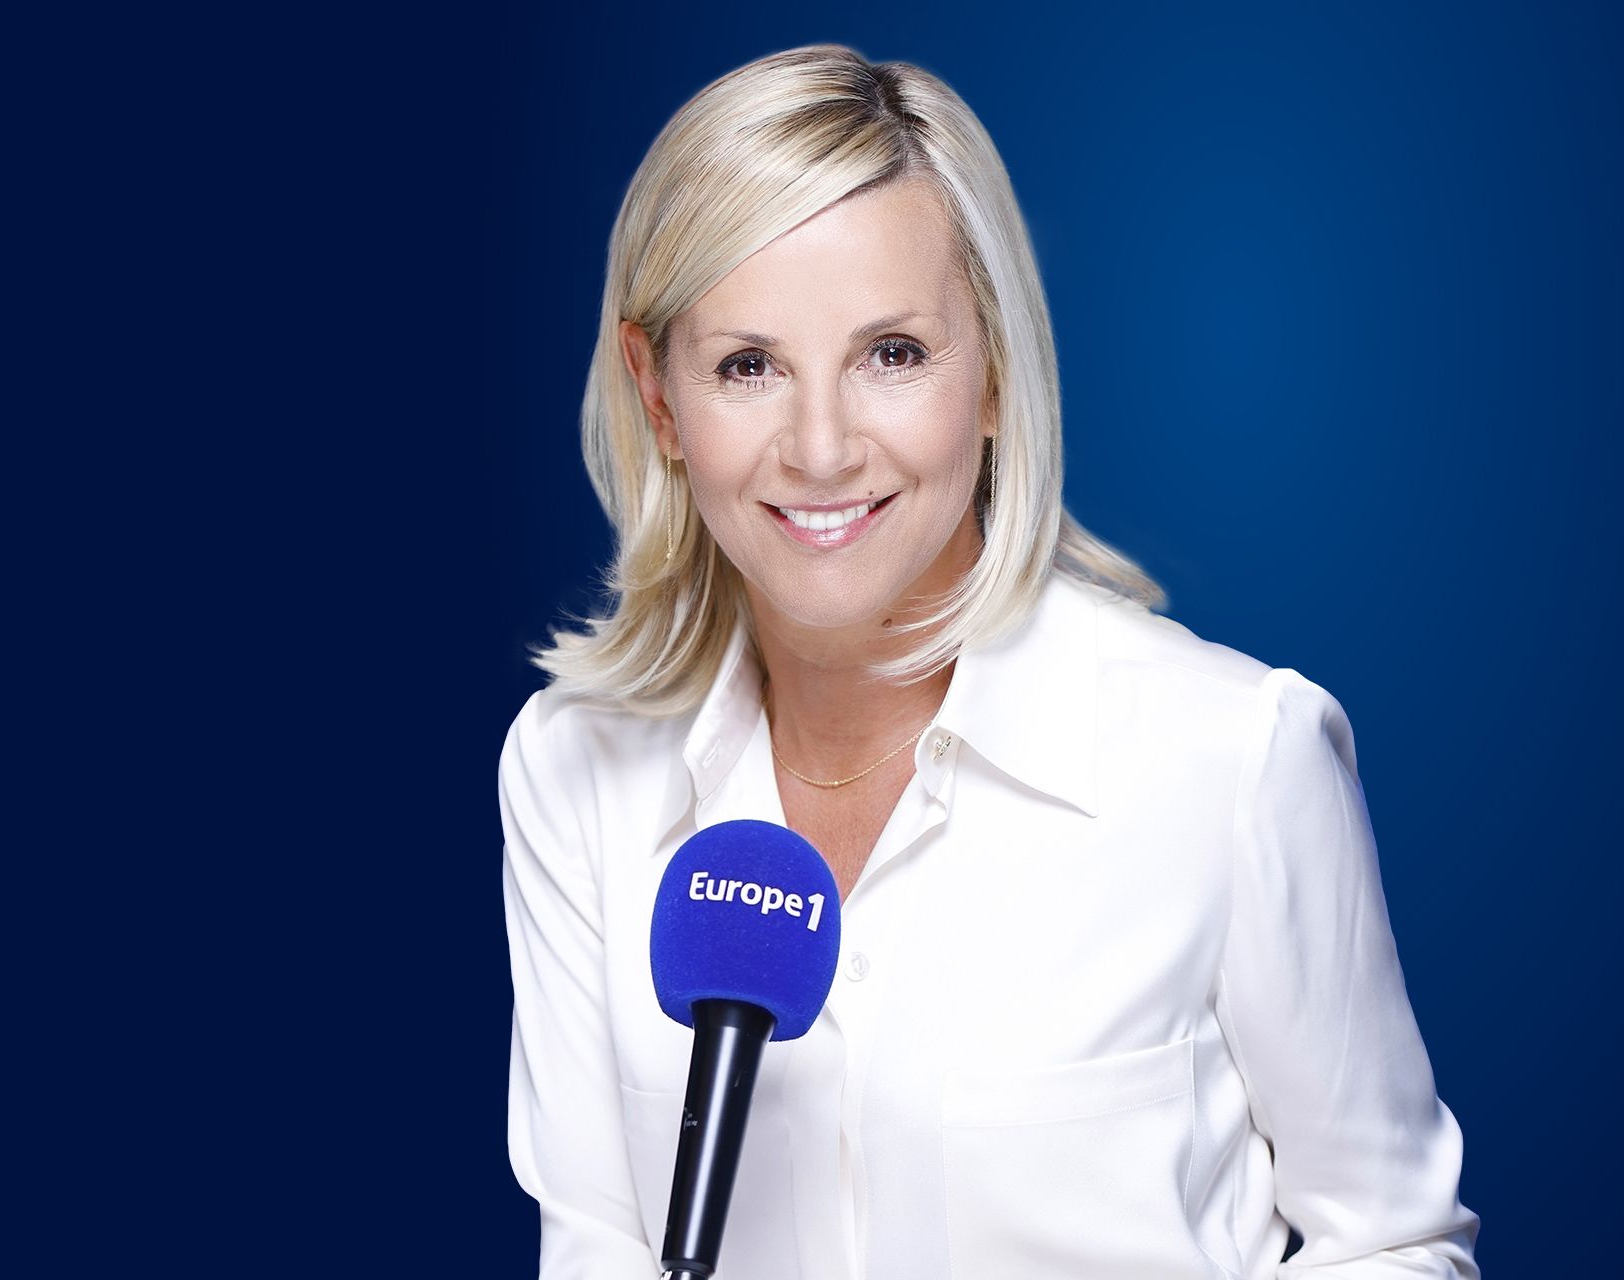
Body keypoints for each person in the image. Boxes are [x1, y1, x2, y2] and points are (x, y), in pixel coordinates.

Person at [499, 44, 1479, 1279]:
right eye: (749, 365)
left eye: (891, 353)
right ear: (658, 401)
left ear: (997, 373)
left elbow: (1394, 1240)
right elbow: (595, 1248)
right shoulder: (572, 770)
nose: (820, 447)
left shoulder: (1230, 755)